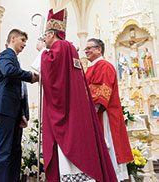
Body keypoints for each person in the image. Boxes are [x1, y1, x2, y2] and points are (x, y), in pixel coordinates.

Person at [36, 8, 117, 182]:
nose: (45, 40)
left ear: (51, 34)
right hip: (78, 110)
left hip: (67, 113)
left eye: (45, 36)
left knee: (70, 153)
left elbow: (50, 72)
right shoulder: (70, 48)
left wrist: (42, 51)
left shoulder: (59, 47)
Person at [0, 29, 38, 182]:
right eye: (22, 40)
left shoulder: (13, 58)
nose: (24, 44)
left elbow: (19, 91)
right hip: (4, 110)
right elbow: (7, 70)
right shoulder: (6, 55)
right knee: (2, 151)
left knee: (14, 152)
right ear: (13, 38)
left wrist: (22, 113)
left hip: (13, 112)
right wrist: (29, 76)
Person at [85, 38, 134, 181]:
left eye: (90, 48)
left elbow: (102, 91)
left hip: (104, 114)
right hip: (94, 112)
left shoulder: (104, 66)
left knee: (107, 148)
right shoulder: (91, 67)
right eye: (85, 49)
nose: (86, 51)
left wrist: (90, 112)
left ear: (99, 49)